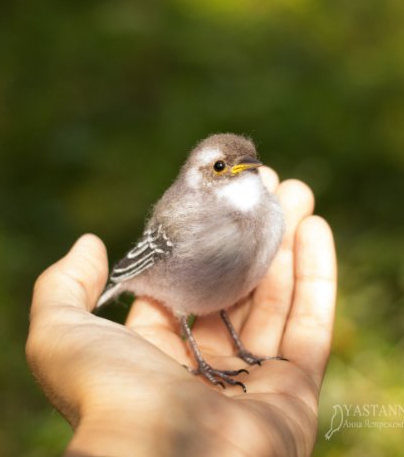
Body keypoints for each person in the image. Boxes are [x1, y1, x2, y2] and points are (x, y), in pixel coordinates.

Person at [26, 169, 337, 456]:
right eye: (220, 165)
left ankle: (239, 348)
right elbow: (150, 252)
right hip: (167, 283)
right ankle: (201, 362)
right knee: (185, 310)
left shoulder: (268, 213)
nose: (239, 169)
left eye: (248, 164)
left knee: (225, 303)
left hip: (225, 295)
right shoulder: (188, 211)